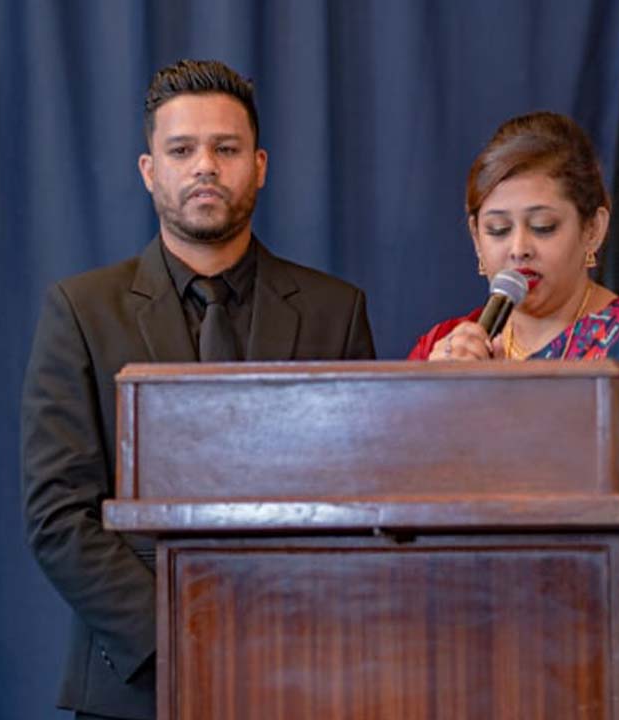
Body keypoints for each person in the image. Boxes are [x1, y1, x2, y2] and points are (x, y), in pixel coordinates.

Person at [21, 59, 375, 720]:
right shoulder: (81, 310)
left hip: (300, 672)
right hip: (132, 683)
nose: (205, 166)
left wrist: (285, 636)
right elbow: (57, 515)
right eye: (181, 150)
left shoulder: (336, 311)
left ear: (260, 164)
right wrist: (176, 641)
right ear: (150, 171)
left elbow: (361, 504)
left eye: (226, 148)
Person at [408, 111, 619, 719]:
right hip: (464, 659)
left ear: (593, 229)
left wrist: (541, 482)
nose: (518, 248)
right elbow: (390, 487)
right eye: (497, 229)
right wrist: (443, 401)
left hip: (611, 656)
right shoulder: (445, 347)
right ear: (474, 239)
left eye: (543, 226)